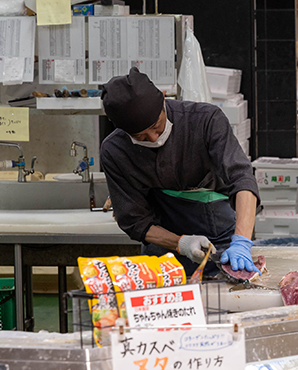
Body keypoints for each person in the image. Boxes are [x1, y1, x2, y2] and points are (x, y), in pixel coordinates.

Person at [100, 67, 260, 276]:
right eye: (141, 136)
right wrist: (181, 243)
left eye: (156, 126)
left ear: (164, 99)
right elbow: (135, 221)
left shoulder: (206, 120)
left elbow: (242, 178)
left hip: (227, 241)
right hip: (164, 251)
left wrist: (241, 241)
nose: (154, 137)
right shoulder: (115, 151)